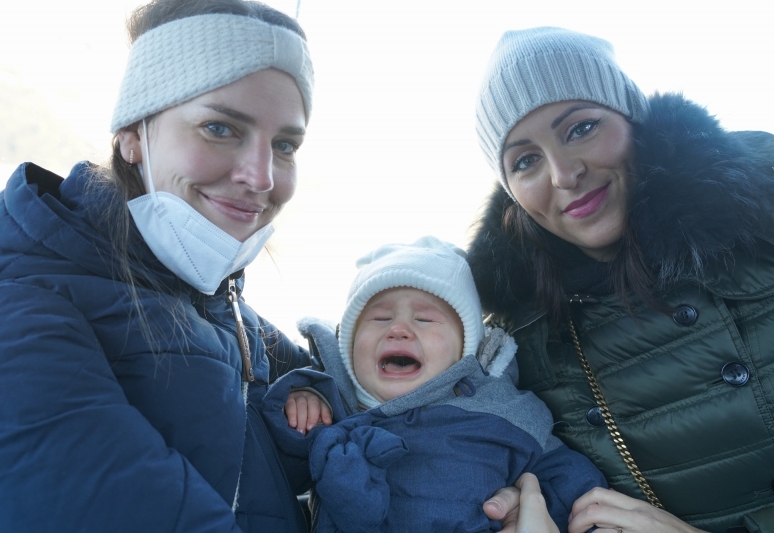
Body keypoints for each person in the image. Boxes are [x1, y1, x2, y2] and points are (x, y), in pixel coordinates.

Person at [466, 26, 774, 533]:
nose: (563, 174)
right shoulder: (518, 343)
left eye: (580, 128)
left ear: (634, 118)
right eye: (525, 160)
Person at [0, 1, 317, 531]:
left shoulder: (226, 308)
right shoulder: (28, 304)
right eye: (220, 128)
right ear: (132, 135)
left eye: (284, 145)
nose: (262, 176)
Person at [262, 236, 606, 533]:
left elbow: (564, 475)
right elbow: (278, 481)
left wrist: (586, 520)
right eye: (380, 318)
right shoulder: (332, 406)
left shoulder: (501, 412)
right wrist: (299, 412)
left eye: (424, 319)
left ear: (466, 349)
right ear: (348, 345)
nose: (399, 329)